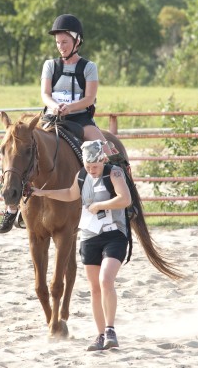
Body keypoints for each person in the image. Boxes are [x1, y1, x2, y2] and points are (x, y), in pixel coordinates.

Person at [0, 13, 112, 234]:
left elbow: (89, 98)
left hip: (80, 119)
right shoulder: (50, 65)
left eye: (65, 42)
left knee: (106, 151)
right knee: (19, 152)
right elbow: (45, 94)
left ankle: (117, 202)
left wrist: (71, 107)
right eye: (58, 42)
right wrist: (55, 105)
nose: (61, 46)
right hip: (51, 117)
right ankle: (11, 208)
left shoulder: (89, 67)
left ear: (77, 41)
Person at [30, 140, 131, 351]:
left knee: (105, 280)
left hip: (114, 234)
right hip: (89, 236)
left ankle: (111, 330)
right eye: (88, 167)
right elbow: (69, 194)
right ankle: (100, 334)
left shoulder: (115, 174)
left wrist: (100, 205)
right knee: (95, 288)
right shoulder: (82, 175)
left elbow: (125, 199)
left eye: (95, 166)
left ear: (103, 160)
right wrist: (43, 193)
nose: (92, 171)